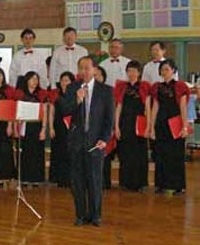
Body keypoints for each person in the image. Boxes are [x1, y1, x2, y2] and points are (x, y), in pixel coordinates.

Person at [59, 56, 114, 227]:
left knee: (95, 181)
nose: (84, 71)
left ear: (95, 69)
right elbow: (64, 110)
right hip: (76, 142)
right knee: (77, 181)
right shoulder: (72, 88)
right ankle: (80, 215)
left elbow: (109, 119)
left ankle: (96, 215)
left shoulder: (105, 90)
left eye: (87, 68)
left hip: (96, 143)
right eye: (81, 68)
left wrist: (104, 139)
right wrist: (77, 100)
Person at [150, 59, 189, 196]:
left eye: (167, 69)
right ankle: (161, 184)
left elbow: (183, 108)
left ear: (173, 70)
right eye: (162, 69)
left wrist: (184, 126)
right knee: (160, 155)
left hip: (176, 124)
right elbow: (155, 107)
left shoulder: (181, 86)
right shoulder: (156, 87)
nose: (164, 72)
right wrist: (151, 127)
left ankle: (178, 186)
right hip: (161, 124)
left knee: (176, 155)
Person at [114, 61, 151, 191]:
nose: (131, 73)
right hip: (125, 123)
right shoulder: (122, 87)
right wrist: (117, 126)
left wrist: (148, 127)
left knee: (139, 154)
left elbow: (148, 108)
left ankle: (140, 183)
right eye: (129, 70)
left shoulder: (145, 86)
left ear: (139, 73)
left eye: (134, 70)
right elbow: (118, 107)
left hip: (140, 123)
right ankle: (125, 182)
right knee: (125, 153)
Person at [14, 71, 48, 186]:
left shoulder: (42, 94)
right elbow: (16, 111)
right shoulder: (20, 94)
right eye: (32, 79)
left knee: (37, 152)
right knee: (24, 152)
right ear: (26, 80)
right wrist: (15, 128)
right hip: (24, 125)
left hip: (37, 125)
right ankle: (23, 178)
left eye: (36, 79)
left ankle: (36, 179)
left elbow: (44, 112)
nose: (34, 81)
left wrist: (43, 129)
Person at [48, 71, 76, 187]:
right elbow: (51, 113)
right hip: (58, 127)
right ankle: (58, 178)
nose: (64, 83)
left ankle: (70, 178)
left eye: (67, 80)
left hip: (71, 128)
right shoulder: (55, 95)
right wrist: (50, 128)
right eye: (63, 80)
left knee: (70, 153)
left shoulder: (76, 95)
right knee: (58, 152)